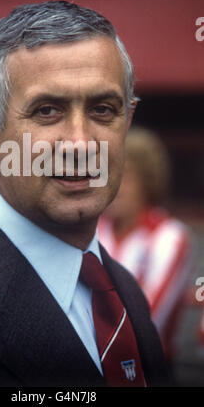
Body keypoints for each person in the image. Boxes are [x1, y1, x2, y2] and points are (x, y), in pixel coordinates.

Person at [0, 1, 168, 387]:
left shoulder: (124, 291)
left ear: (127, 121)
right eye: (47, 111)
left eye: (102, 109)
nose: (80, 143)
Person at [98, 127, 193, 365]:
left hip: (148, 368)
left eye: (125, 175)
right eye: (107, 173)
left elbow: (150, 318)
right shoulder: (91, 229)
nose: (113, 185)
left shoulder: (170, 236)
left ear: (147, 182)